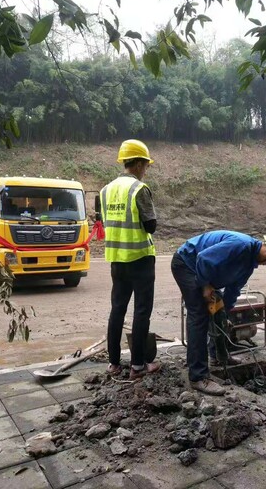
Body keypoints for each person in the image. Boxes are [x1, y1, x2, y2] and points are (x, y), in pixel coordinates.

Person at [171, 229, 266, 395]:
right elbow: (203, 258)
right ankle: (198, 376)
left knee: (219, 311)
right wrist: (205, 285)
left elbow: (233, 291)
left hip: (203, 271)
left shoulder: (248, 265)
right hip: (187, 264)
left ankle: (218, 356)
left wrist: (225, 314)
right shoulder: (240, 245)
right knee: (199, 315)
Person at [100, 139, 160, 381]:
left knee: (117, 309)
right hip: (140, 259)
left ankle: (113, 363)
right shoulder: (139, 189)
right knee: (142, 311)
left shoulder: (105, 191)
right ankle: (138, 366)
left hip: (117, 260)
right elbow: (151, 226)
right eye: (145, 164)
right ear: (136, 164)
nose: (145, 169)